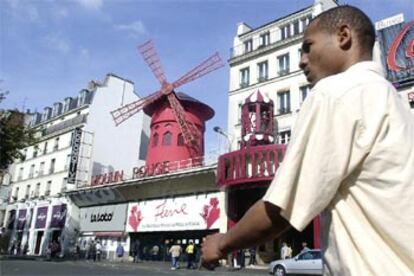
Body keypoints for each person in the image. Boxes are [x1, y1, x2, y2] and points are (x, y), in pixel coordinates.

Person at [201, 5, 414, 275]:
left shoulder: (334, 92)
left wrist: (221, 243)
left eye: (308, 47)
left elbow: (280, 207)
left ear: (343, 36)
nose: (301, 60)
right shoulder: (395, 102)